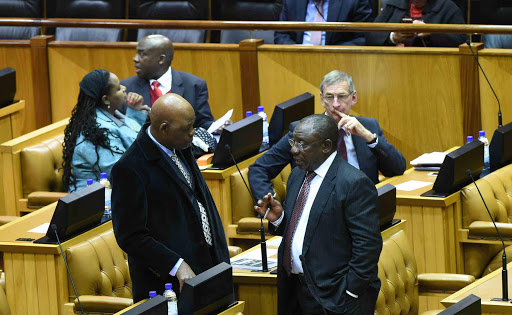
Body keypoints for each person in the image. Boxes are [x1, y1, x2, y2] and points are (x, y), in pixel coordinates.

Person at [255, 114, 382, 314]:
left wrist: (350, 292)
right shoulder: (298, 174)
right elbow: (306, 228)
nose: (293, 150)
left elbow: (367, 247)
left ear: (326, 146)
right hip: (294, 291)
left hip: (334, 298)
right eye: (293, 141)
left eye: (302, 144)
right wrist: (280, 219)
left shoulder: (353, 183)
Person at [111, 93, 230, 302]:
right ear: (164, 128)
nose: (193, 133)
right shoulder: (130, 168)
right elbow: (130, 236)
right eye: (187, 128)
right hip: (170, 285)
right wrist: (176, 265)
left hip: (207, 267)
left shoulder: (179, 145)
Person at [248, 70, 406, 201]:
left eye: (342, 96)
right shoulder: (302, 130)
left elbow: (397, 169)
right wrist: (271, 202)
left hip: (364, 207)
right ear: (322, 100)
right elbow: (259, 169)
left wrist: (368, 136)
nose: (336, 104)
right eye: (330, 97)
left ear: (354, 98)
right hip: (321, 214)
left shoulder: (369, 126)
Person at [62, 69, 148, 192]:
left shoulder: (114, 114)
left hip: (123, 192)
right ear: (106, 99)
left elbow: (136, 140)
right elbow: (120, 172)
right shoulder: (96, 131)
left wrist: (135, 112)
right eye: (118, 89)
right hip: (96, 201)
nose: (124, 88)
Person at [121, 34, 215, 130]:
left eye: (142, 54)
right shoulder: (126, 87)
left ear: (161, 59)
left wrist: (218, 127)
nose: (135, 59)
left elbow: (203, 123)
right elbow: (120, 127)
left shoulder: (193, 85)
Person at [366, 0, 467, 47]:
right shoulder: (393, 5)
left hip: (433, 67)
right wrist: (393, 37)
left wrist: (431, 33)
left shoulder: (448, 7)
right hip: (392, 65)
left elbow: (461, 41)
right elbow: (370, 37)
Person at [274, 0, 373, 46]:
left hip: (338, 63)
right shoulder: (292, 2)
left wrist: (329, 52)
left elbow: (363, 38)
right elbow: (281, 34)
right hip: (296, 59)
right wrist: (296, 49)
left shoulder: (354, 2)